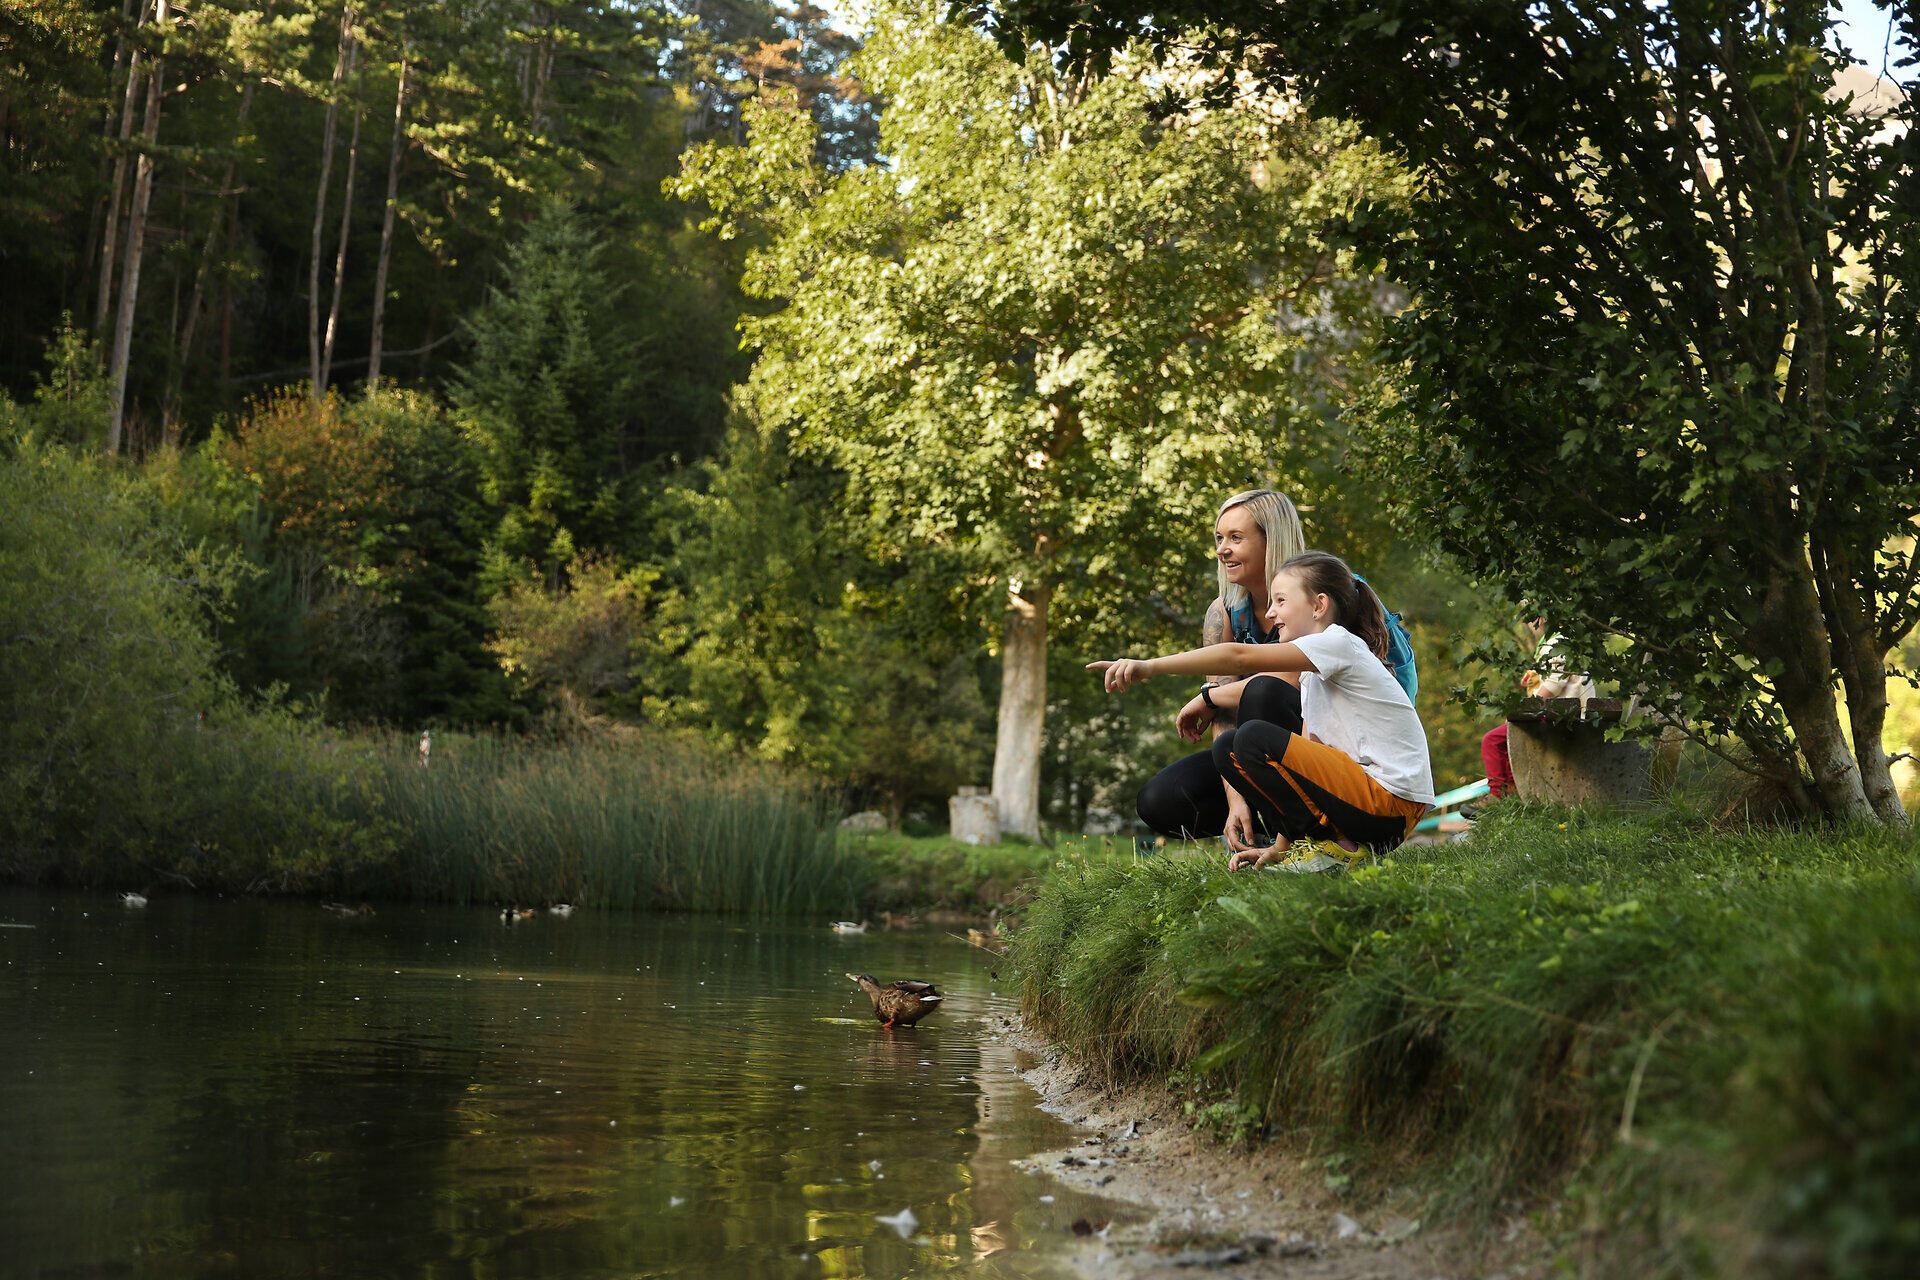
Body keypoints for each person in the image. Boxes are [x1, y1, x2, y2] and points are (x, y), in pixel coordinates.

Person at [1092, 552, 1435, 872]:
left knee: (1254, 738)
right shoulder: (1313, 677)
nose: (1271, 613)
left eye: (1281, 601)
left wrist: (1148, 667)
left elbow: (1240, 658)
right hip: (1366, 805)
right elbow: (1298, 768)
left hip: (1390, 805)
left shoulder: (1339, 643)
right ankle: (1317, 847)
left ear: (1319, 605)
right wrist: (1282, 845)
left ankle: (1339, 847)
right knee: (1227, 749)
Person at [1133, 489, 1307, 848]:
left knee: (1263, 694)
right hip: (1258, 755)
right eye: (1219, 537)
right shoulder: (1225, 610)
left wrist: (1208, 697)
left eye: (1235, 538)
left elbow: (1291, 679)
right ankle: (1254, 834)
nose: (1221, 549)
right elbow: (1224, 716)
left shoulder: (1316, 594)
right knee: (1159, 799)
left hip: (1330, 748)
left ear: (1271, 541)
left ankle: (1298, 839)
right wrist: (1236, 798)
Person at [1478, 618, 1596, 803]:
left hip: (1560, 715)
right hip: (1560, 712)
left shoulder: (1557, 642)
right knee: (1508, 736)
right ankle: (1511, 790)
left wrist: (1527, 709)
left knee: (1492, 740)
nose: (1527, 623)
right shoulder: (1560, 641)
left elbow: (1555, 683)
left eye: (1530, 617)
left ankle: (1500, 794)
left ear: (1541, 618)